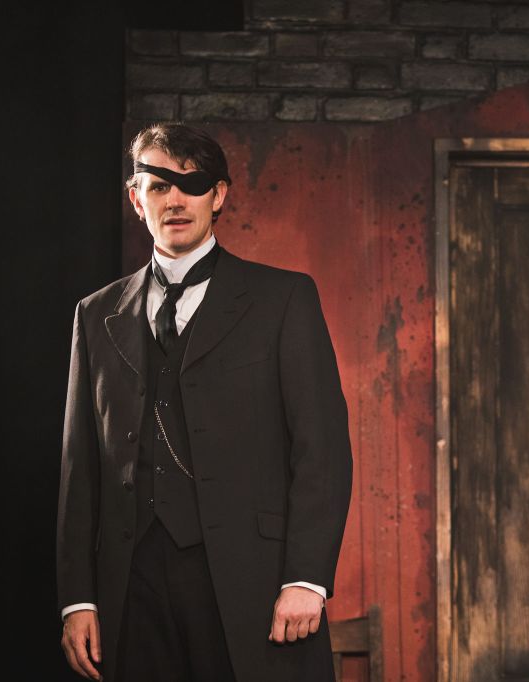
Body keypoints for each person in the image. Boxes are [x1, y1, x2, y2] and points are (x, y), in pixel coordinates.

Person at [56, 123, 353, 681]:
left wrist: (306, 578)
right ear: (136, 199)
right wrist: (78, 598)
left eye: (192, 185)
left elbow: (323, 450)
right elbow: (80, 467)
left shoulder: (283, 299)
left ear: (218, 196)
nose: (175, 200)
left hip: (253, 580)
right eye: (158, 185)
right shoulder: (95, 315)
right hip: (132, 586)